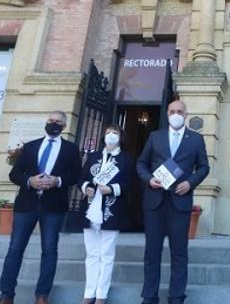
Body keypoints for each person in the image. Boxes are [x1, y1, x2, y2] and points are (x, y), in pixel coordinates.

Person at [0, 111, 81, 304]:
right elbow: (14, 174)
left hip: (53, 207)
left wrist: (57, 181)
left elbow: (76, 175)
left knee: (49, 250)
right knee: (16, 248)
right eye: (51, 120)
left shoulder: (70, 149)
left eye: (58, 121)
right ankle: (6, 294)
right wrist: (29, 180)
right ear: (46, 122)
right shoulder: (30, 146)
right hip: (26, 205)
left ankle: (42, 295)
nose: (54, 123)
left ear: (64, 126)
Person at [137, 99, 210, 304]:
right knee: (152, 252)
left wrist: (190, 183)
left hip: (180, 202)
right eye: (172, 111)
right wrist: (149, 179)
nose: (176, 114)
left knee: (179, 252)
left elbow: (204, 167)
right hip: (155, 202)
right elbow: (141, 164)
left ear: (186, 115)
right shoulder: (154, 136)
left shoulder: (195, 139)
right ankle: (149, 296)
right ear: (167, 114)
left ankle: (177, 296)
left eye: (180, 111)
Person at [80, 124, 133, 304]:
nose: (110, 135)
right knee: (92, 254)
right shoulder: (93, 156)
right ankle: (89, 292)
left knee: (107, 254)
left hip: (112, 210)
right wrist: (86, 187)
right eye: (108, 132)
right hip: (90, 209)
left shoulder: (125, 159)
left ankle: (101, 294)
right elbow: (82, 177)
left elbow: (129, 184)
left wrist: (111, 189)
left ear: (120, 137)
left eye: (115, 133)